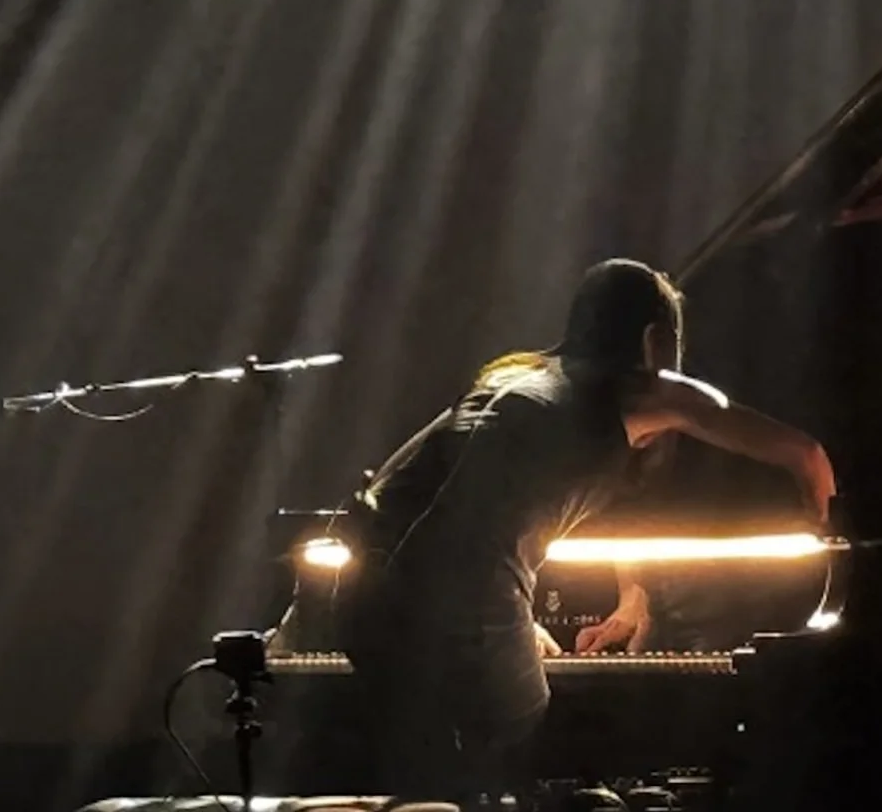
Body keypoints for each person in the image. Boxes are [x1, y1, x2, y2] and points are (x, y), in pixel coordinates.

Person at [342, 259, 835, 806]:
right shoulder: (639, 388)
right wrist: (824, 514)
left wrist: (533, 616)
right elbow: (800, 451)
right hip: (462, 596)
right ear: (654, 340)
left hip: (364, 595)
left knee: (436, 772)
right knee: (520, 744)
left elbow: (421, 496)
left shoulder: (510, 379)